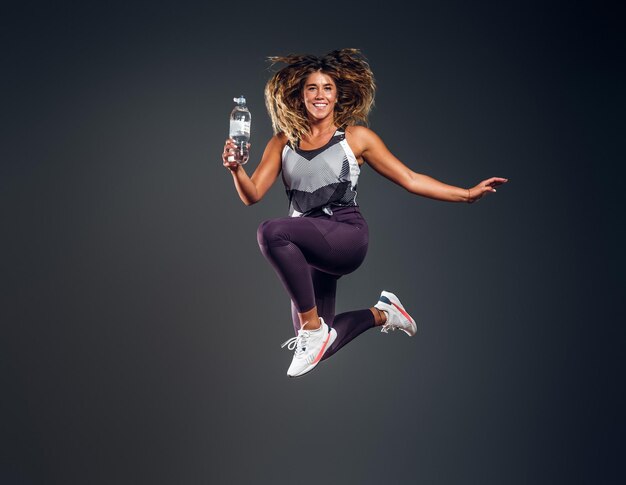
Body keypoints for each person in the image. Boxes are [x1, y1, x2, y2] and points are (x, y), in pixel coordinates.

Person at [222, 48, 507, 378]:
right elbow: (252, 195)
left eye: (327, 88)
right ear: (299, 94)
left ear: (338, 93)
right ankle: (383, 313)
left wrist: (467, 194)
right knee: (319, 352)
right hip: (308, 246)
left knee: (272, 232)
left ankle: (313, 330)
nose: (319, 95)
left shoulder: (356, 138)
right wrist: (234, 170)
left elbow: (411, 178)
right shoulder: (282, 142)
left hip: (345, 236)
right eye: (312, 88)